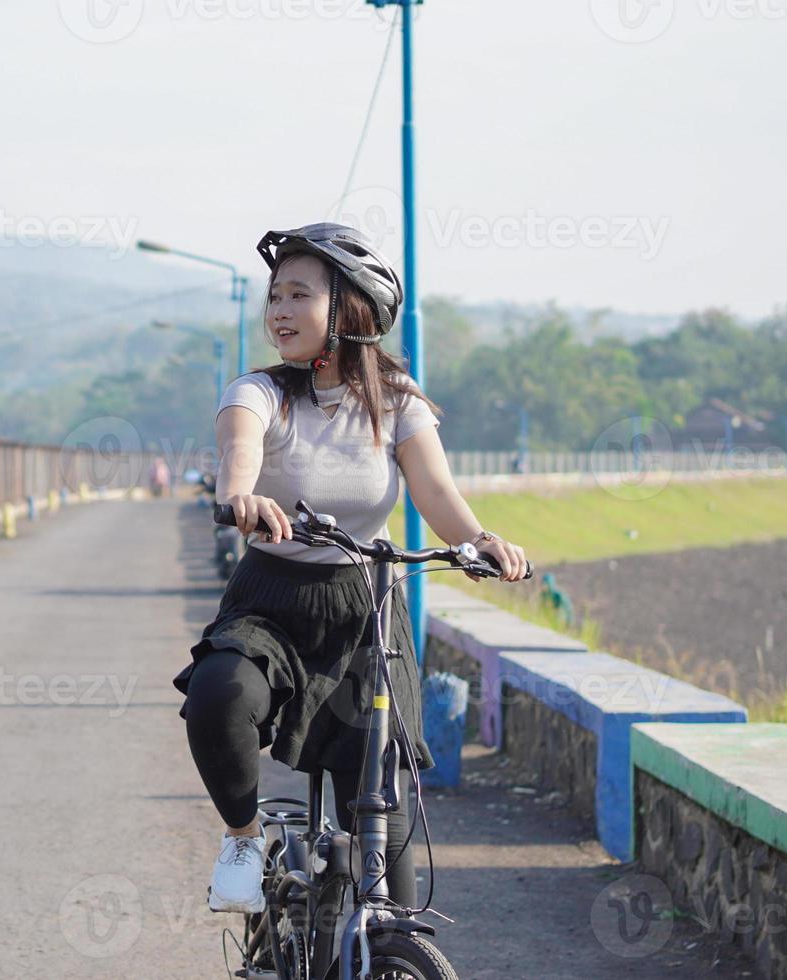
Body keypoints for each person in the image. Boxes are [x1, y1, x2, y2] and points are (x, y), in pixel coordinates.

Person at [175, 223, 529, 915]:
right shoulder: (259, 391)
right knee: (220, 695)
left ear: (349, 309)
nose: (278, 310)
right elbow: (238, 450)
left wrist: (480, 540)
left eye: (298, 295)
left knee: (380, 785)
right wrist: (238, 498)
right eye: (274, 295)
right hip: (269, 598)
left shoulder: (397, 400)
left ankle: (389, 938)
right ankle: (244, 842)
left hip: (364, 603)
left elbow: (434, 492)